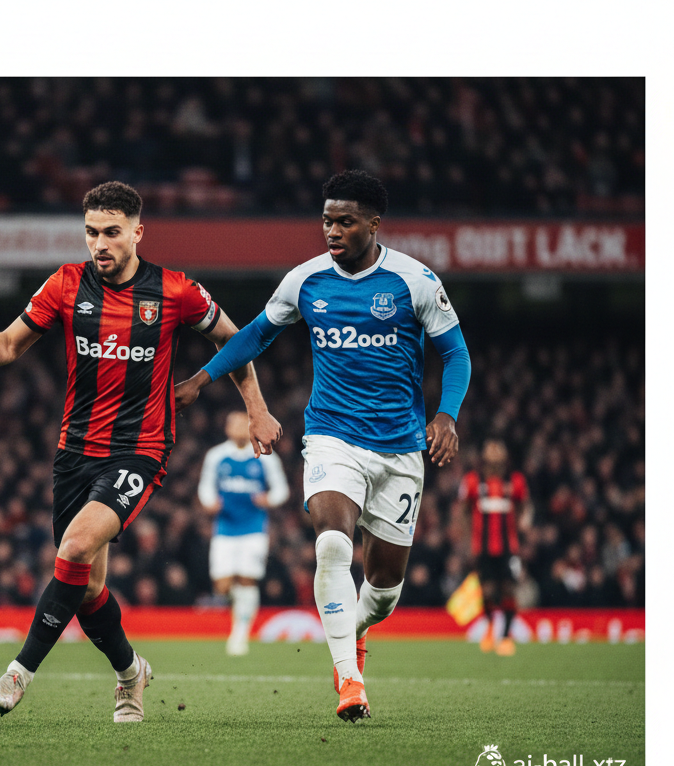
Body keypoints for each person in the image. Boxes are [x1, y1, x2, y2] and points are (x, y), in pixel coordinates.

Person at [0, 181, 281, 723]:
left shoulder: (175, 291)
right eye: (90, 233)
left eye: (110, 232)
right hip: (73, 453)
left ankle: (18, 673)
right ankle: (131, 674)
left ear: (137, 232)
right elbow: (7, 345)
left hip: (139, 451)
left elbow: (239, 339)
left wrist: (255, 410)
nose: (99, 243)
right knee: (86, 589)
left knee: (75, 547)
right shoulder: (64, 283)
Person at [176, 169, 471, 722]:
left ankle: (351, 633)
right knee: (333, 545)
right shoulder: (305, 280)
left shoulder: (415, 281)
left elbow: (456, 355)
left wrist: (447, 415)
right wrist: (202, 378)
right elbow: (256, 333)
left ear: (373, 223)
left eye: (345, 221)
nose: (332, 230)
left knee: (382, 590)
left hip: (401, 449)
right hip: (331, 438)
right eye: (327, 220)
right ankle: (350, 681)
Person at [198, 410, 289, 654]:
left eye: (242, 423)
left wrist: (269, 499)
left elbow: (281, 489)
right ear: (227, 428)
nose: (238, 427)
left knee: (247, 578)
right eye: (233, 423)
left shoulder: (266, 456)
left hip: (254, 528)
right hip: (224, 527)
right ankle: (239, 621)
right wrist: (209, 502)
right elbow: (205, 486)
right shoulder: (216, 456)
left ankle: (240, 634)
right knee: (223, 585)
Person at [460, 439, 531, 655]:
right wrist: (465, 541)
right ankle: (491, 628)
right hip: (482, 548)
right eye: (491, 460)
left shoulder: (515, 481)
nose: (494, 465)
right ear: (484, 460)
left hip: (509, 548)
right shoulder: (473, 481)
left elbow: (525, 506)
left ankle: (506, 637)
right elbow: (463, 511)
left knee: (508, 589)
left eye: (498, 460)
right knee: (488, 592)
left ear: (504, 460)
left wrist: (525, 523)